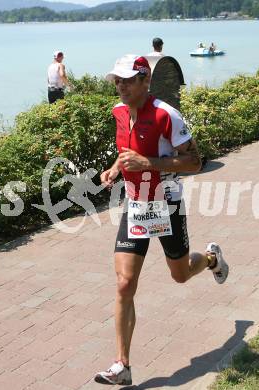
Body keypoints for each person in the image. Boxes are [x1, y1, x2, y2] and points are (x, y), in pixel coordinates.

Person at [94, 54, 229, 386]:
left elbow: (195, 161)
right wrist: (115, 168)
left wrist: (149, 162)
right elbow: (127, 150)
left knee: (180, 275)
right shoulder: (118, 113)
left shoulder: (166, 115)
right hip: (136, 206)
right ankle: (122, 365)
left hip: (167, 205)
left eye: (127, 80)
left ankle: (211, 258)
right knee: (125, 283)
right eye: (117, 80)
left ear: (145, 81)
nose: (121, 86)